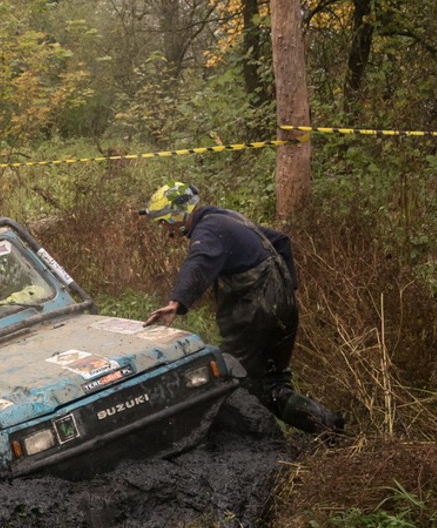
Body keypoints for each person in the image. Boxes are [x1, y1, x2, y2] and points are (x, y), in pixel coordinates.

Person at [139, 182, 343, 434]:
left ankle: (254, 445)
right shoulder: (227, 218)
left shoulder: (208, 230)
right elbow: (281, 242)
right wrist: (285, 291)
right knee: (273, 383)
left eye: (163, 222)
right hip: (282, 309)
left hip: (255, 314)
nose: (164, 229)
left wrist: (176, 302)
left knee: (227, 377)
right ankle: (330, 428)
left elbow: (198, 262)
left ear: (177, 214)